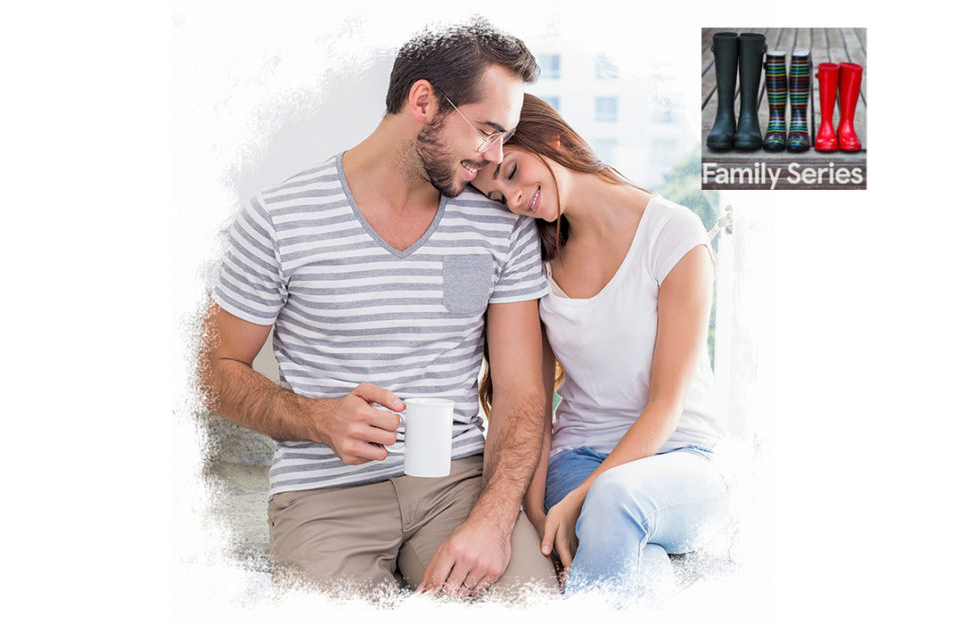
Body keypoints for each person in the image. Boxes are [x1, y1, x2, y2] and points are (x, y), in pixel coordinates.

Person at [197, 21, 559, 599]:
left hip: (457, 486)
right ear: (424, 102)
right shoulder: (278, 218)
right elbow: (212, 371)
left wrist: (492, 520)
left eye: (504, 137)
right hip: (322, 495)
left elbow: (520, 391)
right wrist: (318, 418)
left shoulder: (500, 224)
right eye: (487, 131)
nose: (494, 157)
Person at [471, 94, 731, 604]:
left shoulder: (675, 234)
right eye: (498, 196)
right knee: (645, 569)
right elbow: (533, 401)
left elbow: (665, 406)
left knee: (617, 501)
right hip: (578, 457)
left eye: (512, 171)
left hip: (684, 454)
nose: (514, 197)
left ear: (553, 139)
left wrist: (581, 503)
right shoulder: (537, 258)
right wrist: (537, 508)